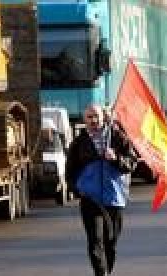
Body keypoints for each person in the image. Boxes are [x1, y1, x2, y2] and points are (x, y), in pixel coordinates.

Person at [65, 104, 136, 276]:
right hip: (90, 200)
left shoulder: (117, 137)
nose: (93, 120)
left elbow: (132, 163)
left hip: (114, 198)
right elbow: (70, 172)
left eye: (96, 116)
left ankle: (107, 270)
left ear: (103, 117)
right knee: (95, 240)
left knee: (110, 242)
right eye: (89, 117)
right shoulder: (79, 143)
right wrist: (78, 190)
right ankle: (101, 273)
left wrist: (116, 158)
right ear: (84, 120)